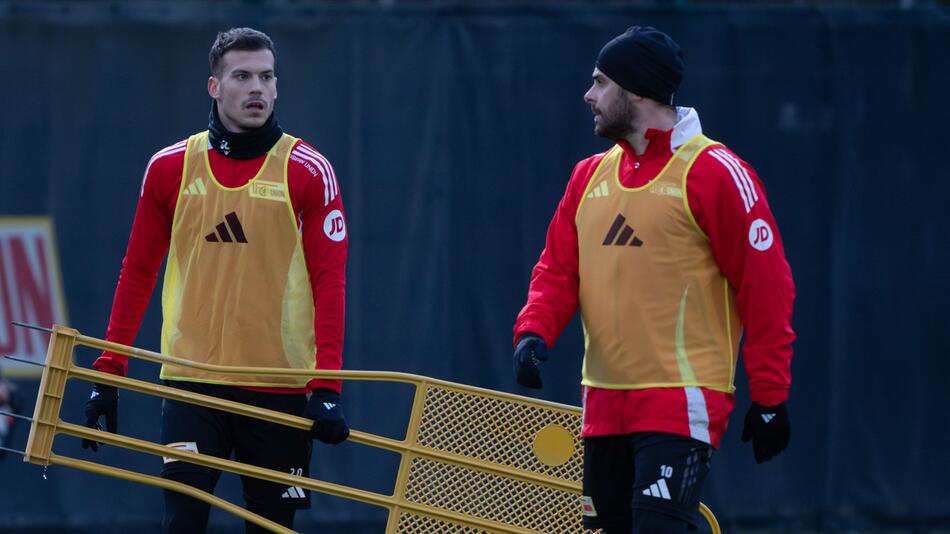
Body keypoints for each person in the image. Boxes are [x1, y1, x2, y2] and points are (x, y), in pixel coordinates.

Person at [511, 26, 795, 533]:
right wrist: (533, 331)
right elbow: (556, 269)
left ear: (636, 90)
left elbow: (767, 287)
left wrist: (770, 397)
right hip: (600, 407)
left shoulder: (715, 171)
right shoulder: (588, 176)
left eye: (600, 82)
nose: (589, 95)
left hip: (679, 407)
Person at [81, 27, 350, 533]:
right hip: (191, 385)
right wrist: (108, 371)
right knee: (182, 522)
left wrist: (327, 385)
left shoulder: (309, 171)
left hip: (279, 388)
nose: (258, 88)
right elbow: (137, 273)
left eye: (267, 76)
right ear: (214, 86)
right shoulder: (169, 167)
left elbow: (329, 283)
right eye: (242, 76)